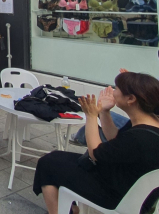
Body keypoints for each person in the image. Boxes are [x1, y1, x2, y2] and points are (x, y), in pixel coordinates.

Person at [33, 72, 159, 213]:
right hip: (131, 187)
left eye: (117, 88)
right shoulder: (150, 122)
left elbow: (95, 153)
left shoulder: (138, 138)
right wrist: (104, 111)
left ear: (130, 99)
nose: (112, 91)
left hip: (119, 195)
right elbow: (115, 139)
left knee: (47, 164)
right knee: (55, 158)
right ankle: (70, 207)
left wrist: (91, 116)